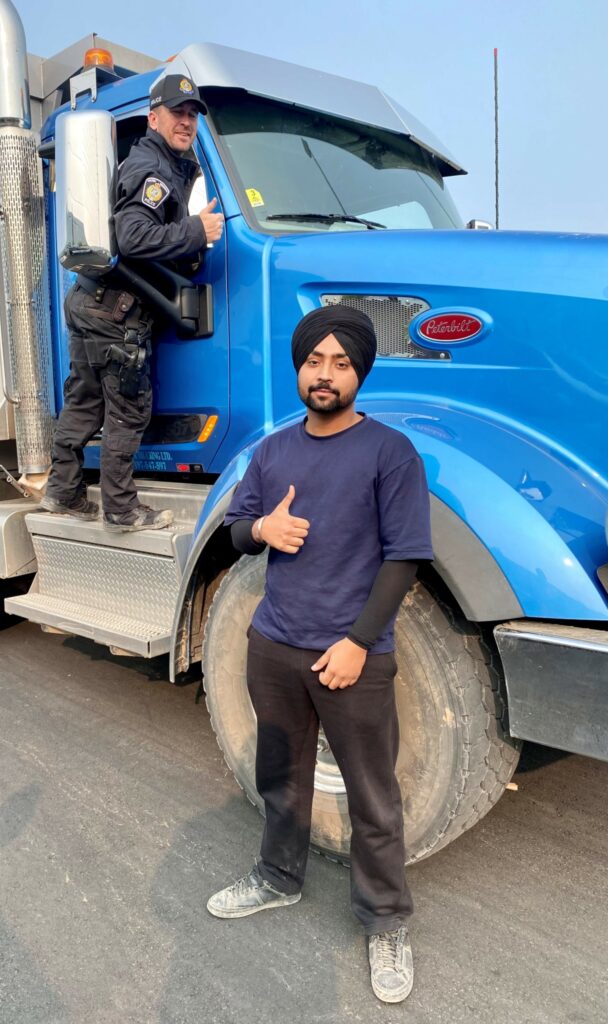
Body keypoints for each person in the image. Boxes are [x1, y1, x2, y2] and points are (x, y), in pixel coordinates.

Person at [207, 305, 433, 1005]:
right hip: (273, 644)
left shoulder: (389, 453)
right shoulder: (273, 452)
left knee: (373, 796)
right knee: (279, 775)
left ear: (358, 371)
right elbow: (237, 531)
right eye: (314, 361)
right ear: (299, 368)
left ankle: (386, 919)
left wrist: (358, 644)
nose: (325, 374)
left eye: (340, 363)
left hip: (349, 655)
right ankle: (277, 878)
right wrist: (262, 527)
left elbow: (406, 559)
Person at [41, 73, 224, 529]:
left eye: (192, 115)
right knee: (128, 409)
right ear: (153, 117)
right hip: (116, 312)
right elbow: (133, 236)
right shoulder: (153, 169)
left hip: (92, 302)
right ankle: (121, 509)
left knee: (84, 402)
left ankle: (62, 493)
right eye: (177, 112)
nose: (186, 121)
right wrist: (197, 231)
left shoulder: (165, 165)